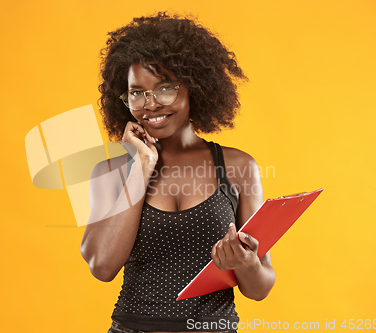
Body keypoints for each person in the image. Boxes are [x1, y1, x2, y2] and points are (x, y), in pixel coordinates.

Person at [81, 12, 276, 333]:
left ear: (193, 85)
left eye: (165, 88)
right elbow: (102, 266)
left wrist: (247, 263)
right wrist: (141, 166)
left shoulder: (238, 167)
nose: (151, 104)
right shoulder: (112, 171)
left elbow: (260, 288)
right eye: (137, 92)